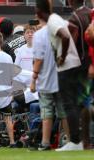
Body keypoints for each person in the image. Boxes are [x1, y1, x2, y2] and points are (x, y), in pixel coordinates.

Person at [35, 0, 83, 151]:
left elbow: (66, 36)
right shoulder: (56, 18)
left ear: (39, 12)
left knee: (68, 105)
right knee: (69, 105)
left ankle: (75, 142)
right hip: (72, 64)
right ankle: (74, 141)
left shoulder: (51, 21)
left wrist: (63, 55)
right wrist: (72, 51)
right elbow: (73, 30)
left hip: (66, 67)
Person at [30, 18, 70, 151]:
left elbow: (38, 60)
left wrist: (33, 80)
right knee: (63, 112)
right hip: (62, 79)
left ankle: (45, 142)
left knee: (46, 112)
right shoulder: (63, 30)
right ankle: (69, 142)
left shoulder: (40, 35)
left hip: (46, 80)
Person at [68, 0, 93, 149]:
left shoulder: (75, 18)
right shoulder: (89, 14)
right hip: (88, 64)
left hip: (81, 67)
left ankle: (84, 142)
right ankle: (85, 142)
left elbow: (70, 44)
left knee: (81, 104)